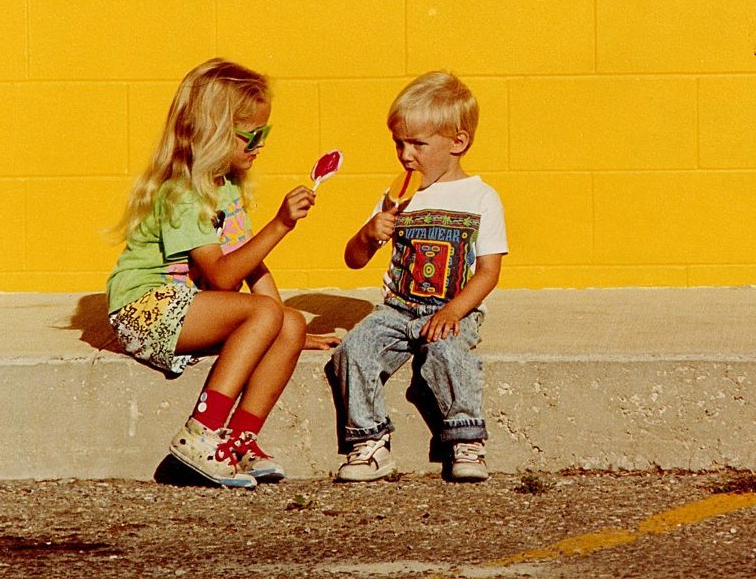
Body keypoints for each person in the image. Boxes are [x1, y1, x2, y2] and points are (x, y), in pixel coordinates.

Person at [106, 58, 339, 489]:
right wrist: (281, 225)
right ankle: (201, 434)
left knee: (284, 320)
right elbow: (223, 277)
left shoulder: (227, 187)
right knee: (266, 315)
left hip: (187, 307)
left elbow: (249, 264)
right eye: (252, 136)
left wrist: (290, 332)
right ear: (214, 134)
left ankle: (238, 440)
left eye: (264, 135)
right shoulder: (183, 192)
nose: (259, 146)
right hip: (145, 309)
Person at [331, 71, 507, 483]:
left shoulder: (481, 197)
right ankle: (370, 443)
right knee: (353, 351)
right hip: (397, 308)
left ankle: (466, 440)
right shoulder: (397, 197)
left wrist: (454, 311)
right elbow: (353, 259)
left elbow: (488, 272)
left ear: (458, 143)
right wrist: (369, 233)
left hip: (452, 307)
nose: (405, 155)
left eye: (417, 144)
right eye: (399, 143)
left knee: (447, 355)